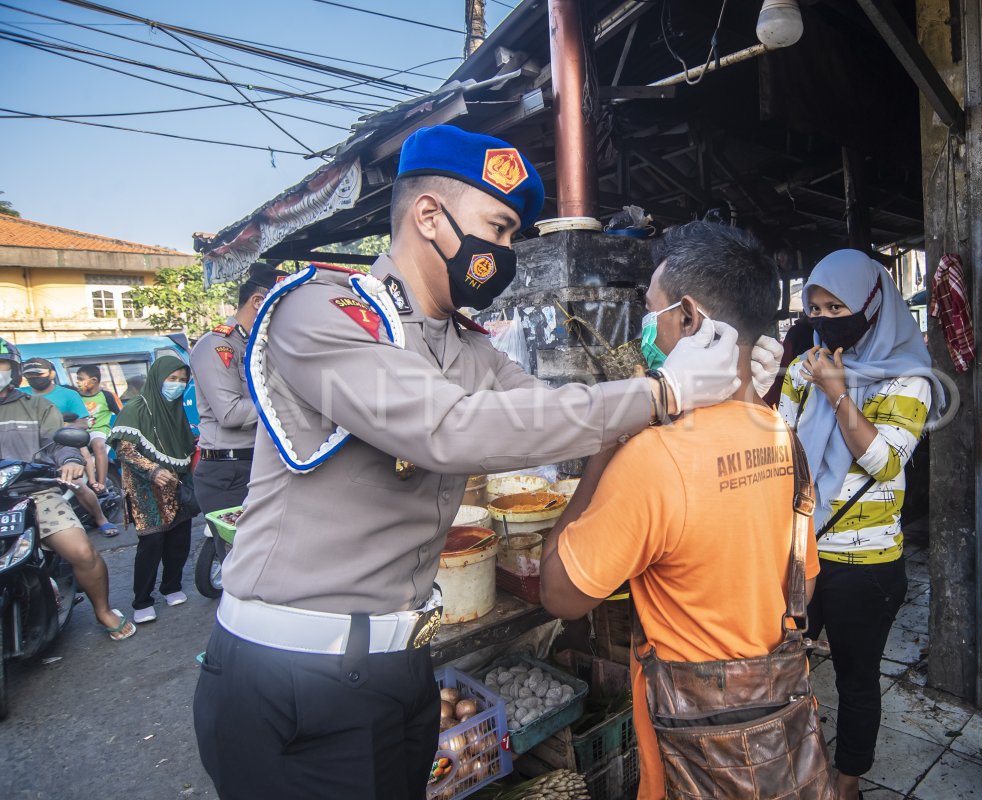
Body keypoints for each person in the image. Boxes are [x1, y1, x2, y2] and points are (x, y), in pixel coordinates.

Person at [192, 125, 779, 800]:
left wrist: (731, 388)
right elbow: (443, 428)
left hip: (399, 666)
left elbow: (560, 419)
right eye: (498, 229)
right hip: (291, 674)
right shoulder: (324, 312)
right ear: (429, 216)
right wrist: (661, 392)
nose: (503, 252)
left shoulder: (471, 351)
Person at [539, 222, 823, 799]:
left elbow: (559, 595)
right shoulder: (782, 436)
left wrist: (607, 444)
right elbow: (804, 587)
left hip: (691, 751)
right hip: (776, 739)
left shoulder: (652, 459)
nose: (646, 329)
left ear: (689, 320)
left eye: (652, 311)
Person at [778, 249, 943, 800]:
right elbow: (780, 442)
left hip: (865, 564)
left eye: (837, 305)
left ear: (873, 305)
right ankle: (796, 763)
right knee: (785, 667)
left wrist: (837, 392)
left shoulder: (910, 379)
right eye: (816, 307)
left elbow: (884, 461)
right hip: (802, 549)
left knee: (856, 679)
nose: (825, 319)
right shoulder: (807, 367)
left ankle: (847, 782)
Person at [0, 339, 136, 641]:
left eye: (1, 365)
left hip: (32, 493)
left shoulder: (36, 406)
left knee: (82, 552)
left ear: (13, 369)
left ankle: (102, 610)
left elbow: (59, 442)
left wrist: (72, 460)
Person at [190, 262, 286, 552]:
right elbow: (230, 413)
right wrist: (287, 403)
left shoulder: (257, 347)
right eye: (278, 306)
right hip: (227, 472)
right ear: (258, 302)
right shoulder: (217, 345)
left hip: (257, 464)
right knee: (239, 560)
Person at [109, 356, 198, 624]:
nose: (178, 385)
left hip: (177, 485)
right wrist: (154, 470)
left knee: (179, 541)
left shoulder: (176, 409)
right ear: (158, 379)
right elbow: (124, 449)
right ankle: (142, 601)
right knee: (151, 544)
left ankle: (172, 587)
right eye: (172, 379)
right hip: (146, 490)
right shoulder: (136, 408)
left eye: (183, 380)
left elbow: (184, 444)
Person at [21, 358, 120, 537]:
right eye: (29, 375)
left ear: (51, 374)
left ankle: (101, 519)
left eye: (39, 374)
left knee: (76, 484)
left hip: (59, 448)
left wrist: (62, 428)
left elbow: (83, 423)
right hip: (25, 452)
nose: (34, 378)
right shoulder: (20, 394)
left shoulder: (69, 395)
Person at [74, 363, 123, 489]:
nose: (78, 382)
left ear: (94, 380)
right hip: (80, 431)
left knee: (98, 444)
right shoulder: (75, 396)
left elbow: (121, 414)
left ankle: (101, 483)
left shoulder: (106, 396)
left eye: (81, 379)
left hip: (99, 430)